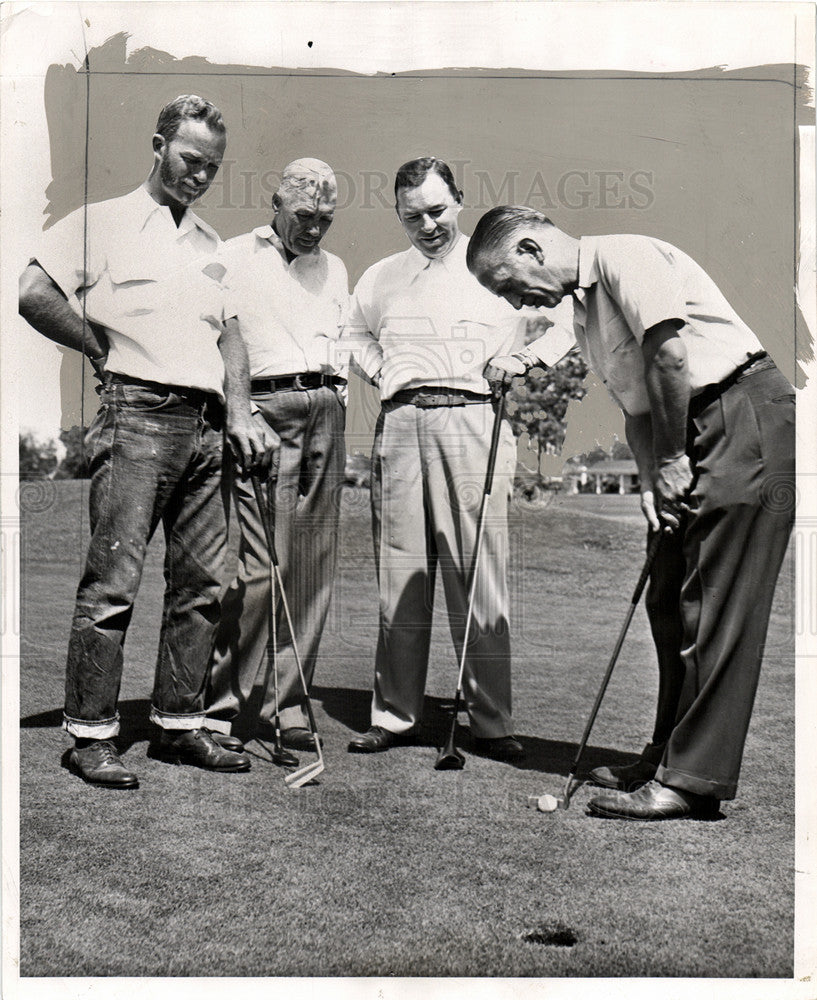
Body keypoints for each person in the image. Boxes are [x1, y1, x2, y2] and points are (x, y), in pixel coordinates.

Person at [466, 206, 795, 818]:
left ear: (532, 248)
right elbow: (638, 405)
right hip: (683, 426)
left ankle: (692, 781)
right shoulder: (585, 312)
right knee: (667, 592)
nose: (516, 304)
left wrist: (672, 458)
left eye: (508, 284)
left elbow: (669, 357)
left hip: (739, 413)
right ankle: (664, 755)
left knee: (715, 600)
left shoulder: (627, 256)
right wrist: (651, 479)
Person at [18, 95, 264, 788]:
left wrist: (241, 413)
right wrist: (99, 349)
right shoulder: (101, 222)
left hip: (209, 426)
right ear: (158, 145)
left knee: (202, 586)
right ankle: (91, 735)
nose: (199, 175)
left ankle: (178, 727)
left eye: (211, 166)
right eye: (190, 159)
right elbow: (34, 294)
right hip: (137, 417)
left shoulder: (216, 246)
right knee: (114, 582)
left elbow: (234, 339)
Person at [343, 158, 573, 761]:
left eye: (438, 211)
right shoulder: (380, 276)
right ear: (398, 214)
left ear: (461, 202)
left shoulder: (493, 264)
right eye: (413, 215)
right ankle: (395, 716)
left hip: (474, 418)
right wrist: (381, 371)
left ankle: (490, 722)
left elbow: (567, 321)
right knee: (400, 574)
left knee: (479, 573)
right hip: (400, 423)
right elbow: (352, 334)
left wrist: (519, 364)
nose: (428, 225)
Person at [203, 159, 349, 752]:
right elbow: (213, 335)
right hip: (263, 410)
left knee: (311, 569)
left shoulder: (335, 268)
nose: (314, 229)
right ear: (276, 204)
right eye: (304, 216)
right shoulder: (232, 255)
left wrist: (337, 397)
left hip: (325, 409)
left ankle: (290, 707)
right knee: (259, 568)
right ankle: (224, 707)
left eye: (325, 219)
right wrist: (240, 409)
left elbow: (343, 341)